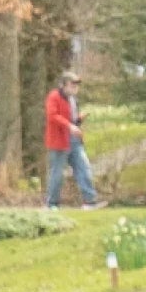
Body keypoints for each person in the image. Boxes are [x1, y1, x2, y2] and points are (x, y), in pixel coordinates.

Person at [44, 71, 101, 209]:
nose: (75, 88)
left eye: (76, 85)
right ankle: (52, 204)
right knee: (57, 173)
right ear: (63, 85)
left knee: (84, 168)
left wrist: (78, 120)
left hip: (74, 140)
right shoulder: (54, 97)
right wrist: (69, 126)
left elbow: (72, 120)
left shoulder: (73, 100)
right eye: (72, 84)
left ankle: (90, 201)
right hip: (59, 141)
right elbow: (53, 116)